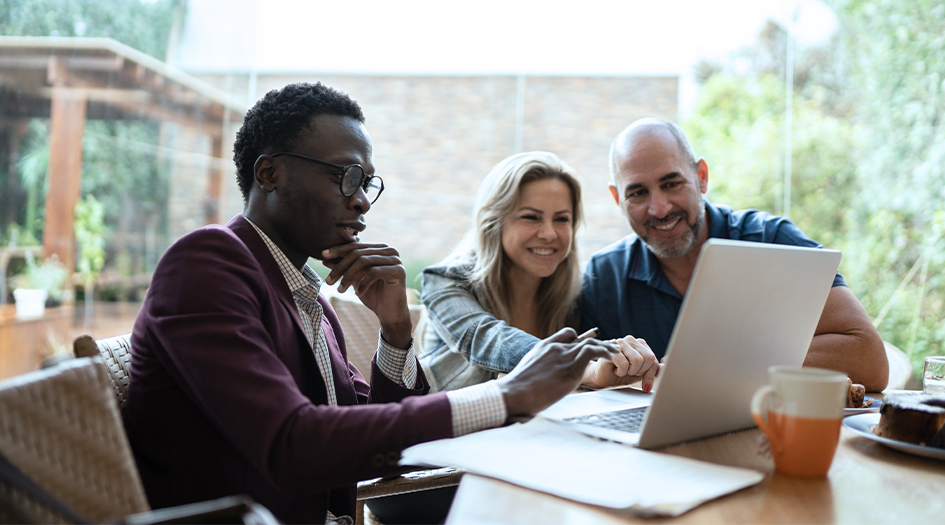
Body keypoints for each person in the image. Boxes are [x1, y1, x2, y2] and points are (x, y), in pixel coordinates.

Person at [122, 82, 621, 525]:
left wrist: (396, 331)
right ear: (270, 173)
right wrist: (508, 396)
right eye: (346, 176)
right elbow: (292, 445)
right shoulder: (207, 263)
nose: (361, 200)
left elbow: (389, 446)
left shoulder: (307, 295)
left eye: (366, 184)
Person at [581, 118, 889, 391]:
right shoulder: (602, 276)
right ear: (617, 198)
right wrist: (595, 373)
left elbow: (869, 358)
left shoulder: (772, 240)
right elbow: (560, 366)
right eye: (637, 193)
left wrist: (719, 364)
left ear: (701, 176)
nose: (659, 208)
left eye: (672, 183)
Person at [420, 152, 659, 393]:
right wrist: (584, 368)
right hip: (447, 427)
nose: (549, 233)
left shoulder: (576, 292)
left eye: (561, 219)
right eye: (531, 217)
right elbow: (488, 340)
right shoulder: (445, 281)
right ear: (494, 222)